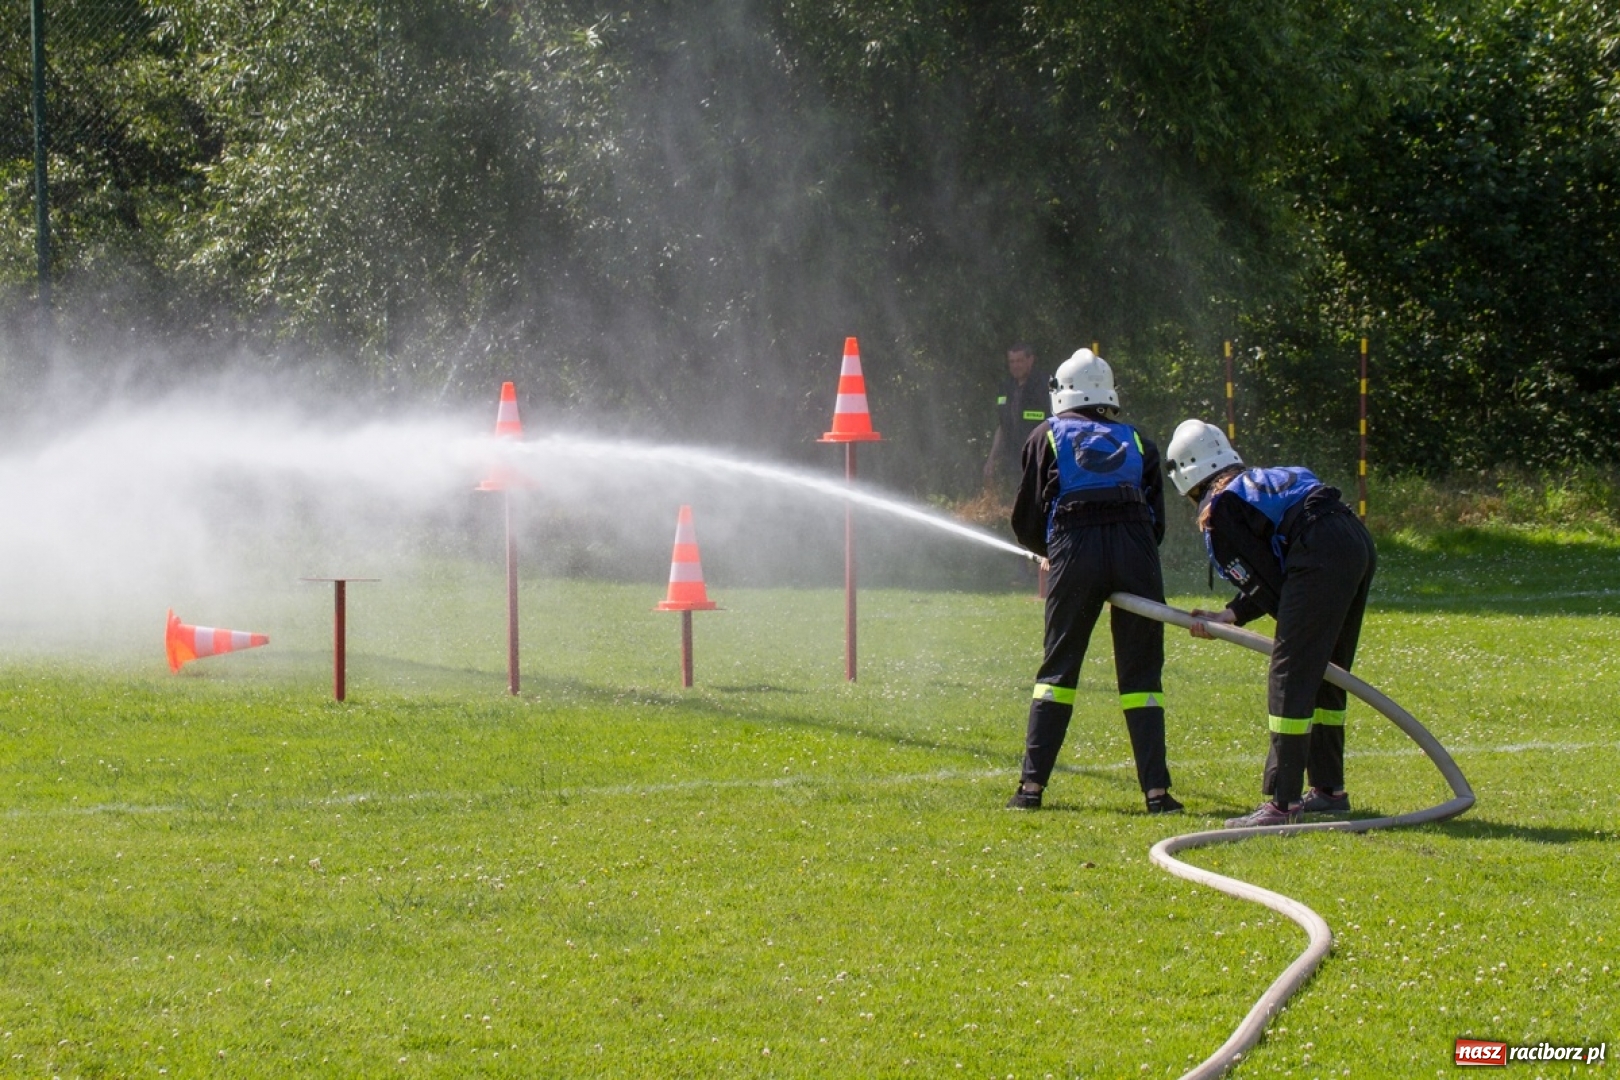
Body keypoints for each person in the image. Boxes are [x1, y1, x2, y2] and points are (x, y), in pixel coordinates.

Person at [1163, 419, 1377, 828]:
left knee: (1290, 673)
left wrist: (1292, 635)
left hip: (1319, 553)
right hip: (1354, 541)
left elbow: (1271, 586)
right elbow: (1272, 574)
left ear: (1186, 476)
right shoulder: (1263, 480)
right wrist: (1230, 614)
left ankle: (1283, 803)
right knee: (1328, 673)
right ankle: (1329, 790)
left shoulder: (1220, 508)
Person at [1006, 348, 1180, 814]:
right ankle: (1157, 794)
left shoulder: (1046, 435)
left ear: (1061, 392)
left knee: (1058, 672)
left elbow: (1025, 517)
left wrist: (1051, 555)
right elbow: (1156, 522)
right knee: (1142, 676)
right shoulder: (1139, 439)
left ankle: (1031, 790)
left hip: (1075, 552)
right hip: (1136, 554)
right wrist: (1129, 559)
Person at [983, 344, 1049, 496]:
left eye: (1019, 361)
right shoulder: (1006, 387)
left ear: (1030, 360)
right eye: (1011, 361)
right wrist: (991, 459)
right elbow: (1002, 426)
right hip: (1012, 461)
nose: (1015, 366)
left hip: (1038, 461)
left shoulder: (1045, 386)